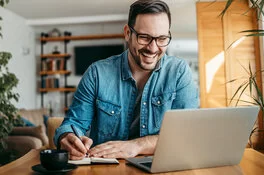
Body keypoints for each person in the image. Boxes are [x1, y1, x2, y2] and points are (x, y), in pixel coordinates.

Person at [54, 0, 198, 160]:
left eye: (162, 38)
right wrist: (67, 138)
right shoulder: (97, 73)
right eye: (144, 37)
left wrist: (136, 146)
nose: (153, 48)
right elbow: (73, 124)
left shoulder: (178, 72)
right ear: (128, 33)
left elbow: (186, 134)